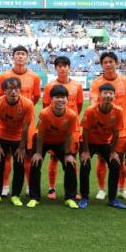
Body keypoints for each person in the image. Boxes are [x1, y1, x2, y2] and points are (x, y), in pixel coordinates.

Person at [90, 51, 126, 201]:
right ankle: (102, 189)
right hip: (102, 129)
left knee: (119, 160)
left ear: (116, 63)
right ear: (101, 65)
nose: (108, 64)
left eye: (111, 62)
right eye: (105, 62)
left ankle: (121, 188)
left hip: (121, 129)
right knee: (102, 159)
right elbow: (92, 102)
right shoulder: (96, 83)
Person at [0, 46, 41, 195]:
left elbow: (36, 97)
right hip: (7, 122)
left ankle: (28, 186)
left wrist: (24, 110)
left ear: (27, 57)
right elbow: (0, 97)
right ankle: (5, 186)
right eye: (17, 54)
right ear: (13, 57)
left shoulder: (34, 77)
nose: (20, 56)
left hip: (27, 121)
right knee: (6, 156)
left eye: (23, 54)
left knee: (27, 156)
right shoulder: (4, 76)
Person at [29, 85, 79, 209]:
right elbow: (40, 134)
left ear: (67, 99)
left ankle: (70, 198)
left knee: (70, 164)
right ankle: (34, 197)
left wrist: (68, 154)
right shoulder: (44, 113)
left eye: (63, 97)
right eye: (57, 97)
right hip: (43, 141)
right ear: (51, 99)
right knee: (35, 163)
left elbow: (69, 135)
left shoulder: (72, 115)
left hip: (61, 141)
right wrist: (38, 153)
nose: (60, 100)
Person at [78, 83, 126, 209]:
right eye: (105, 93)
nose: (108, 95)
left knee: (115, 164)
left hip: (104, 143)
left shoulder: (118, 111)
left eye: (111, 93)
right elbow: (85, 132)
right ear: (99, 95)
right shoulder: (90, 110)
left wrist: (113, 152)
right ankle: (84, 197)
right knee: (85, 165)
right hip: (88, 143)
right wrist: (86, 151)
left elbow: (116, 133)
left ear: (114, 96)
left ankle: (113, 199)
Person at [0, 77, 34, 206]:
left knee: (19, 166)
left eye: (16, 88)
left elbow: (26, 128)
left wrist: (22, 147)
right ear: (4, 91)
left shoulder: (27, 104)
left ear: (20, 89)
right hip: (2, 137)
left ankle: (15, 195)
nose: (13, 91)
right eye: (10, 89)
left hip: (19, 138)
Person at [42, 56, 83, 199]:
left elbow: (79, 106)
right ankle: (51, 189)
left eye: (65, 66)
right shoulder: (49, 86)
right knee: (53, 158)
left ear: (69, 68)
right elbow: (46, 107)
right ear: (55, 68)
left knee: (72, 159)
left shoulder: (77, 86)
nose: (63, 68)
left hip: (72, 129)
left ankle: (73, 190)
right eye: (59, 66)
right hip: (54, 129)